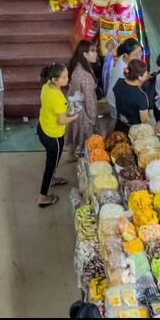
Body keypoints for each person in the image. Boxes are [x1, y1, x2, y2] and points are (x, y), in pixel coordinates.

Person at [36, 62, 75, 207]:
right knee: (50, 165)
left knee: (51, 162)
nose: (67, 79)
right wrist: (75, 116)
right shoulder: (57, 97)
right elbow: (62, 120)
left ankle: (52, 178)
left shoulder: (46, 86)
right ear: (54, 79)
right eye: (64, 77)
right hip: (53, 136)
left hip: (43, 128)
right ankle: (43, 196)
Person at [65, 40, 101, 157]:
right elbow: (89, 101)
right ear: (85, 54)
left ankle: (73, 155)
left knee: (76, 142)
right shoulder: (84, 75)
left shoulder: (79, 67)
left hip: (75, 109)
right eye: (93, 51)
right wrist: (93, 119)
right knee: (87, 147)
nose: (96, 54)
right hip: (83, 114)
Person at [105, 37, 143, 122]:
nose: (139, 57)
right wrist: (143, 80)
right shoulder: (122, 70)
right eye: (136, 55)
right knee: (115, 122)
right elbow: (131, 87)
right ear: (126, 55)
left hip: (115, 97)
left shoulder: (123, 58)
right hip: (115, 101)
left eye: (140, 53)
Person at [113, 57, 152, 132]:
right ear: (139, 77)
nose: (147, 74)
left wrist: (142, 80)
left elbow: (130, 90)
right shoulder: (141, 96)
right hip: (133, 131)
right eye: (145, 74)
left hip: (120, 124)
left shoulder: (119, 82)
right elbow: (144, 120)